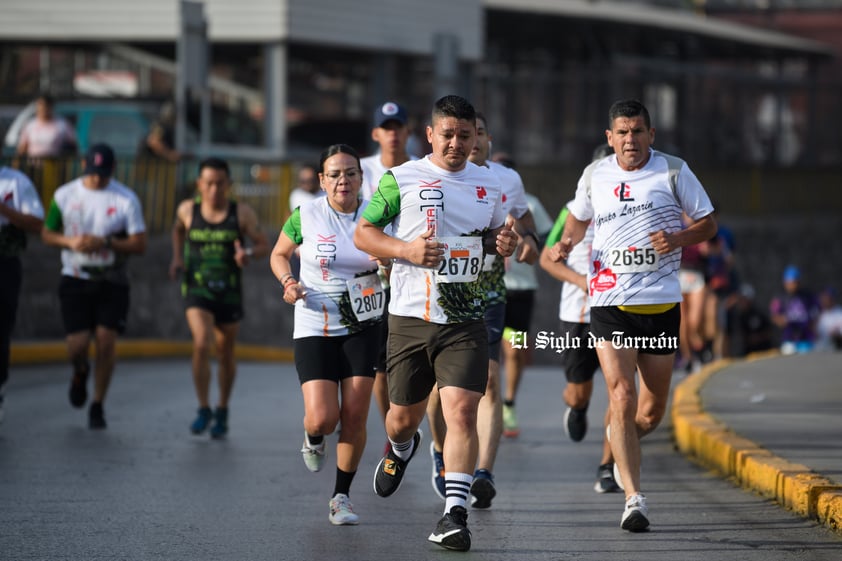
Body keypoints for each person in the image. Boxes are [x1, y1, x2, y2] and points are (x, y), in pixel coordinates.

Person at [354, 95, 518, 551]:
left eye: (465, 136)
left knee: (463, 412)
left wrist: (503, 242)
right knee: (401, 419)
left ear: (476, 138)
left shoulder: (488, 184)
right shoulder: (400, 179)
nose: (456, 144)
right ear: (430, 135)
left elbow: (495, 237)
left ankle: (453, 514)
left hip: (466, 317)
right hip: (410, 317)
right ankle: (402, 449)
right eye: (447, 135)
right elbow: (363, 233)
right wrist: (405, 250)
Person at [549, 99, 717, 532]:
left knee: (650, 411)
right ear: (610, 138)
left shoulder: (673, 170)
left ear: (651, 135)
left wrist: (678, 238)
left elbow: (708, 224)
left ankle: (619, 440)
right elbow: (576, 219)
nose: (630, 140)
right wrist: (566, 245)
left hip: (660, 305)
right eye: (622, 132)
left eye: (638, 131)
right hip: (609, 305)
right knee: (621, 395)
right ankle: (634, 499)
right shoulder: (595, 175)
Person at [425, 111, 540, 509]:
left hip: (490, 289)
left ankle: (484, 472)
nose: (469, 143)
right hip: (438, 289)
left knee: (489, 378)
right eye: (457, 134)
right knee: (440, 388)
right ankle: (441, 452)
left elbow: (527, 225)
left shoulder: (505, 180)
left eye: (475, 134)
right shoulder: (428, 176)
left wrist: (527, 242)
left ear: (486, 137)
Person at [270, 144, 383, 526]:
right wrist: (288, 281)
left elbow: (395, 254)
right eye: (334, 174)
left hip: (363, 325)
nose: (343, 181)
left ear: (361, 177)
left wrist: (390, 260)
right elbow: (279, 253)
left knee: (354, 416)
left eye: (351, 172)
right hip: (315, 324)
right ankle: (313, 436)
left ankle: (341, 497)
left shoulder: (378, 215)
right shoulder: (306, 214)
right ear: (321, 180)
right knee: (322, 419)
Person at [41, 143, 147, 429]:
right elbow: (47, 232)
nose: (96, 179)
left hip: (112, 278)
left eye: (102, 173)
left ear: (111, 170)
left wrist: (107, 242)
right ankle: (80, 370)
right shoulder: (65, 195)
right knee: (76, 345)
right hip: (75, 274)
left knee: (106, 341)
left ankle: (98, 403)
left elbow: (140, 243)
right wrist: (70, 242)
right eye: (92, 172)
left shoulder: (126, 199)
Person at [538, 143, 621, 494]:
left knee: (621, 394)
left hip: (619, 311)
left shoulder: (634, 208)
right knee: (578, 391)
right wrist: (584, 283)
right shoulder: (572, 211)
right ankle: (578, 406)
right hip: (577, 313)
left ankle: (607, 466)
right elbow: (547, 259)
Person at [169, 157, 269, 439]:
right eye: (208, 184)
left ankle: (222, 408)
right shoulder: (188, 210)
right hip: (197, 288)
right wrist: (177, 258)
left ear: (228, 185)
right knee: (202, 342)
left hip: (229, 291)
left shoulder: (242, 214)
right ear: (199, 184)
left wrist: (246, 254)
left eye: (220, 184)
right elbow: (177, 229)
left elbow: (264, 245)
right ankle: (203, 408)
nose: (214, 190)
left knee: (225, 353)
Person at [359, 101, 414, 448]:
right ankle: (390, 430)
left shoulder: (419, 170)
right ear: (376, 133)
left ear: (408, 132)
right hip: (367, 278)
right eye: (386, 128)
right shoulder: (360, 171)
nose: (392, 134)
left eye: (398, 127)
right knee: (379, 364)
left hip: (408, 274)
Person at [494, 156, 555, 439]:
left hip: (522, 290)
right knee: (494, 352)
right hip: (491, 289)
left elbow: (548, 236)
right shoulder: (480, 197)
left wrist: (528, 241)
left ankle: (509, 402)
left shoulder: (528, 203)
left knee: (516, 350)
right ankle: (488, 403)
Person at [0, 166, 44, 424]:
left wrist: (4, 210)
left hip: (4, 263)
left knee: (1, 329)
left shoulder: (16, 182)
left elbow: (37, 222)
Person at [769, 265, 820, 354]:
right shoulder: (780, 297)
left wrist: (813, 326)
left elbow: (816, 312)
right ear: (785, 283)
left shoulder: (807, 295)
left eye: (794, 282)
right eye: (789, 283)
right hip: (789, 338)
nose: (792, 285)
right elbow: (774, 315)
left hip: (805, 337)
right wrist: (782, 320)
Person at [16, 93, 77, 159]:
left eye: (45, 106)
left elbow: (73, 145)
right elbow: (22, 147)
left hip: (55, 164)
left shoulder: (62, 124)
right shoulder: (30, 125)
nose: (43, 109)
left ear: (51, 107)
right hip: (33, 164)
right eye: (40, 105)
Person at [816, 286, 842, 351]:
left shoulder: (839, 313)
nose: (825, 300)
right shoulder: (820, 314)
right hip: (821, 348)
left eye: (828, 298)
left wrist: (836, 335)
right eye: (824, 298)